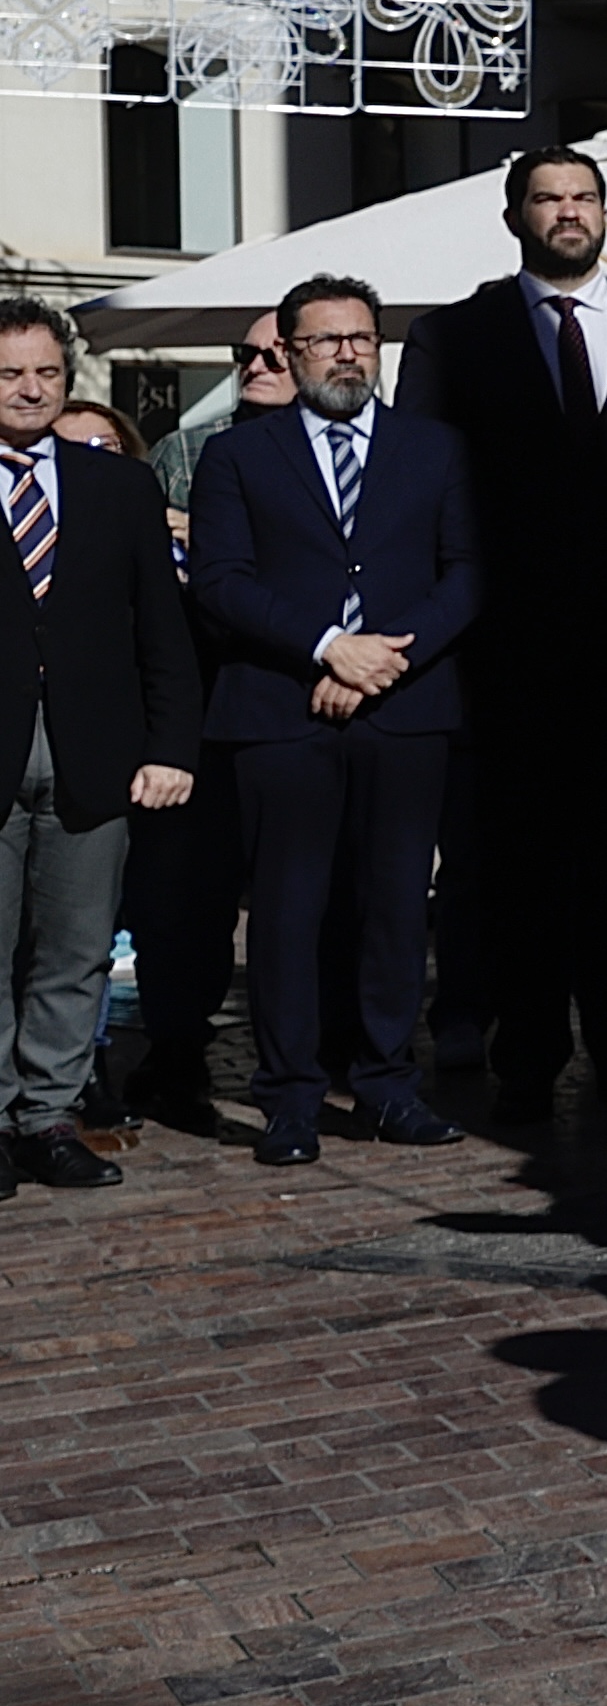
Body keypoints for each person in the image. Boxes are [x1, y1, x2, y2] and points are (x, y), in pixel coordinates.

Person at [396, 140, 607, 1126]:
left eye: (583, 196)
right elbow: (424, 496)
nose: (568, 212)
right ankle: (525, 1055)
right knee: (518, 866)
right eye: (547, 198)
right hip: (507, 658)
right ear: (514, 218)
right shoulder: (455, 338)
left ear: (605, 211)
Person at [191, 277, 477, 1164]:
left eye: (362, 337)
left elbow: (468, 570)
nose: (348, 352)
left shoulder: (435, 449)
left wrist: (384, 657)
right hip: (281, 713)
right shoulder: (238, 456)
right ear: (290, 353)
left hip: (407, 707)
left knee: (395, 905)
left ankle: (388, 1086)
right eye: (326, 340)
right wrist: (326, 648)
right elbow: (222, 579)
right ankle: (290, 1099)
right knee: (287, 911)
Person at [0, 305, 199, 1194]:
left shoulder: (118, 487)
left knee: (76, 950)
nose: (31, 389)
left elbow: (163, 630)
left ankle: (44, 1118)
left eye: (45, 372)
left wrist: (172, 747)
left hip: (98, 756)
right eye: (10, 375)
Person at [108, 306, 283, 1138]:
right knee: (191, 899)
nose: (256, 366)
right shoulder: (185, 453)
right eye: (244, 354)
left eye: (274, 352)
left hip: (320, 708)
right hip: (212, 705)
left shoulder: (379, 451)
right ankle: (176, 1051)